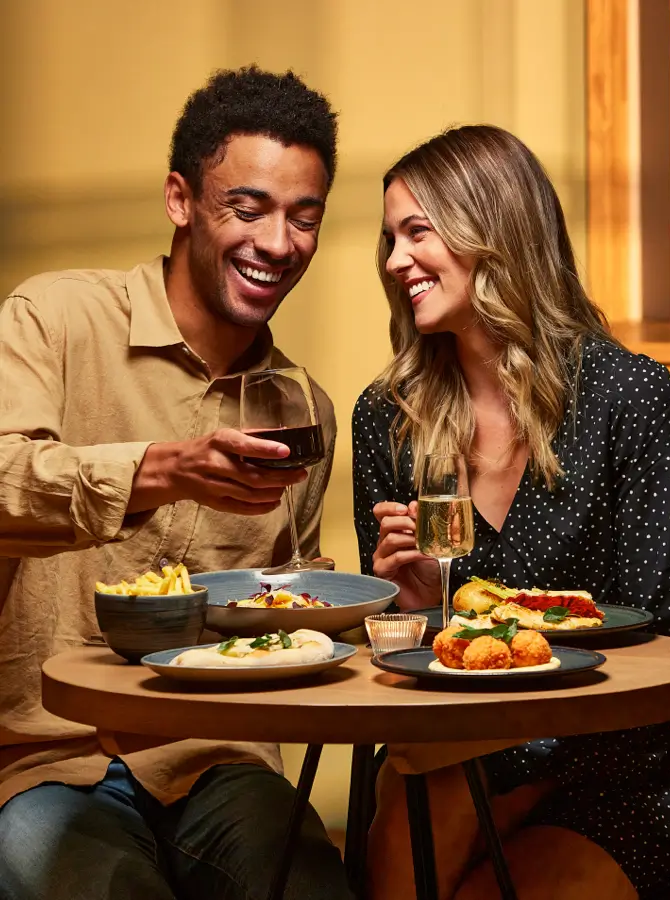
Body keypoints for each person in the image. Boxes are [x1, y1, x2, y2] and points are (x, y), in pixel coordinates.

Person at [0, 66, 353, 900]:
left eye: (305, 218)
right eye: (249, 208)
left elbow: (290, 605)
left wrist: (378, 606)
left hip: (218, 760)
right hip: (47, 759)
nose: (279, 244)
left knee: (313, 888)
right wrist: (161, 469)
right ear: (179, 200)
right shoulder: (53, 319)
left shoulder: (304, 407)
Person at [352, 125, 670, 899]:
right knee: (419, 816)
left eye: (416, 232)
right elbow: (398, 655)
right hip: (457, 748)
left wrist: (529, 751)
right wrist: (409, 606)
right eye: (388, 239)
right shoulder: (387, 418)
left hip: (622, 765)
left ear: (493, 230)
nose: (393, 261)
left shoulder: (625, 397)